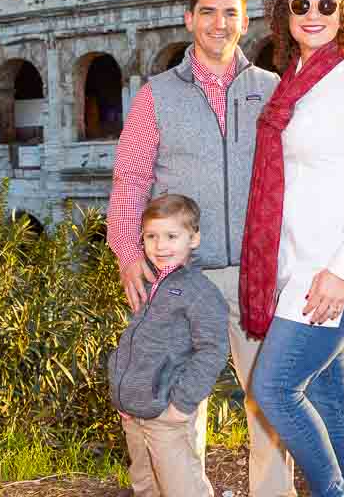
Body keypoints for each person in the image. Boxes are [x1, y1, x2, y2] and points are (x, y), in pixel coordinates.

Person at [108, 0, 292, 497]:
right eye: (208, 12)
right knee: (175, 402)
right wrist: (126, 254)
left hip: (257, 274)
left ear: (245, 21)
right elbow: (132, 177)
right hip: (180, 277)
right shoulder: (157, 95)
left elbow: (291, 175)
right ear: (189, 20)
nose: (220, 23)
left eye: (230, 13)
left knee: (269, 398)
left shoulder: (271, 89)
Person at [240, 0, 344, 497]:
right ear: (285, 14)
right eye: (301, 5)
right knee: (332, 402)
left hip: (330, 274)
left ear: (343, 14)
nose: (313, 14)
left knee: (275, 387)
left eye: (326, 5)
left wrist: (340, 271)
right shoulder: (296, 86)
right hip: (296, 269)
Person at [108, 194, 229, 497]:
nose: (160, 246)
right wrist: (122, 392)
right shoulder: (148, 283)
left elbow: (212, 351)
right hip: (133, 412)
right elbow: (135, 342)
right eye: (151, 236)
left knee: (182, 488)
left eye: (171, 236)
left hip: (167, 414)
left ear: (194, 238)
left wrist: (182, 404)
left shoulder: (200, 292)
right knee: (144, 483)